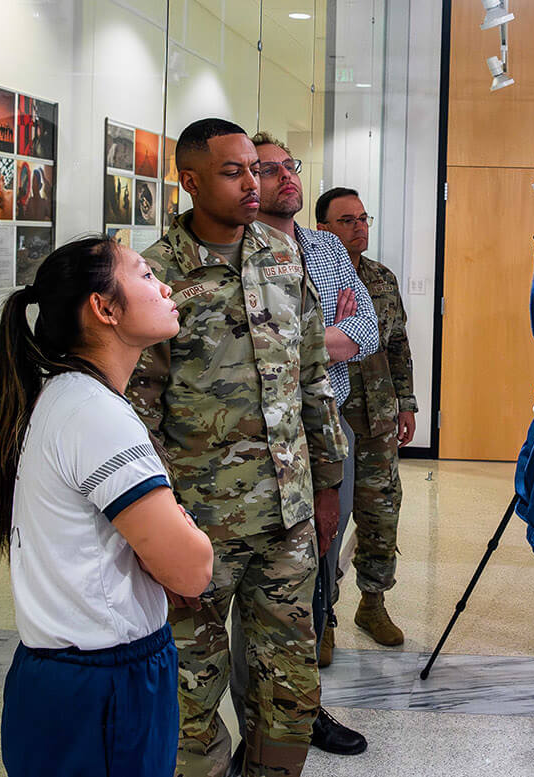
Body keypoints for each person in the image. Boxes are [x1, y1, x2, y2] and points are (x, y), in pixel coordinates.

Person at [127, 118, 346, 777]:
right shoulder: (154, 274)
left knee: (291, 694)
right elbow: (137, 411)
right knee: (190, 698)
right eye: (234, 171)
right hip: (197, 527)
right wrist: (160, 532)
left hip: (287, 522)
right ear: (189, 181)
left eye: (257, 168)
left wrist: (328, 485)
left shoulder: (281, 259)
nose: (255, 182)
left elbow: (311, 376)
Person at [0, 235, 214, 777]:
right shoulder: (97, 416)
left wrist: (168, 530)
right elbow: (192, 569)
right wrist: (183, 529)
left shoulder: (66, 395)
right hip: (104, 684)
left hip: (69, 679)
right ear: (105, 308)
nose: (164, 286)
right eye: (142, 274)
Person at [250, 132, 379, 755]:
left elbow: (366, 331)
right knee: (263, 582)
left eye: (289, 167)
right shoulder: (239, 249)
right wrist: (322, 334)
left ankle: (305, 708)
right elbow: (254, 349)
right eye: (268, 169)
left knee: (320, 565)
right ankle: (255, 721)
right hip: (258, 439)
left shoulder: (326, 247)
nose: (285, 178)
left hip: (327, 427)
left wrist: (307, 336)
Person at [315, 187, 416, 648]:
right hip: (328, 419)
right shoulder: (310, 275)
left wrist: (407, 403)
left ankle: (372, 604)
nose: (360, 227)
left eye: (363, 218)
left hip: (377, 417)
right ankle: (324, 615)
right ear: (323, 230)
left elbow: (398, 346)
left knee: (381, 512)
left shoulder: (381, 278)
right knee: (327, 522)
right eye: (346, 220)